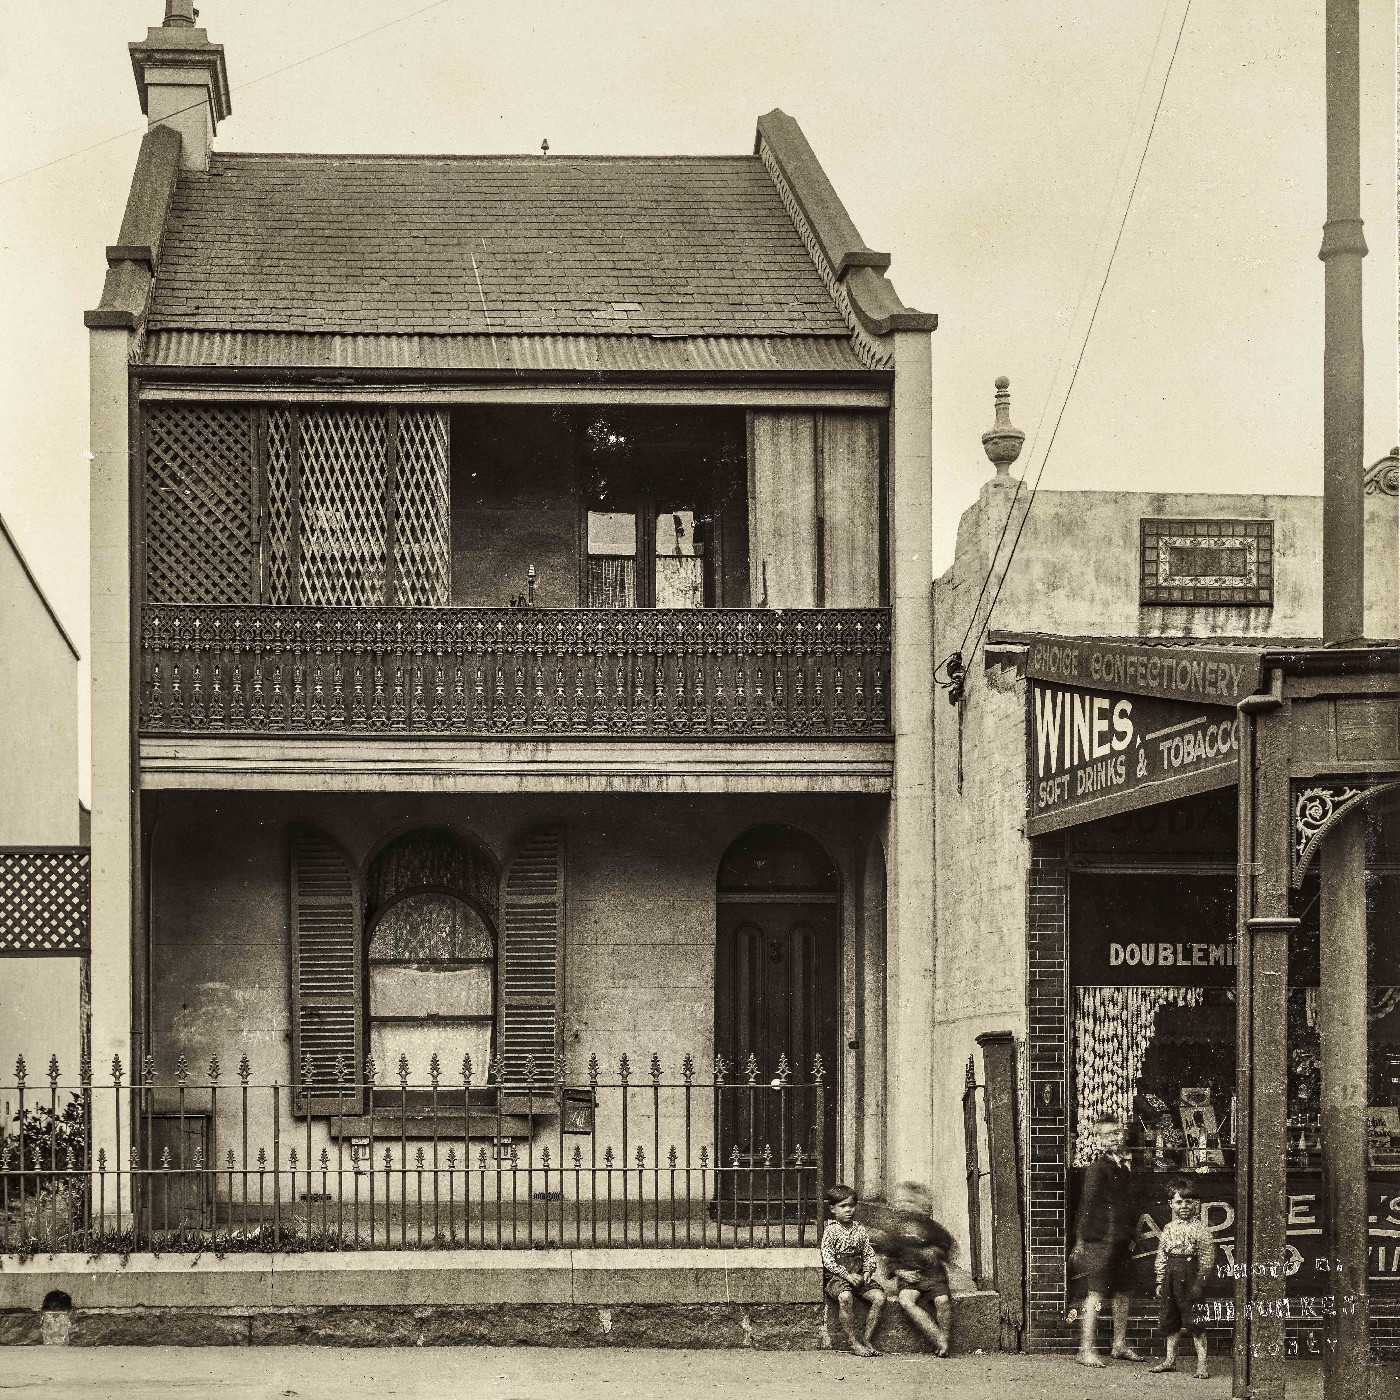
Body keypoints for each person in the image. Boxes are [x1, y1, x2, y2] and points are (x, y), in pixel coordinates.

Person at [1071, 1112, 1144, 1367]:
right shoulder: (1096, 1169)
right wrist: (1081, 1241)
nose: (1116, 1137)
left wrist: (1131, 1235)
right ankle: (1085, 1350)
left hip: (1121, 1240)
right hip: (1100, 1240)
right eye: (1110, 1134)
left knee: (1124, 1292)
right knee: (1096, 1295)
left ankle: (1119, 1345)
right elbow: (1086, 1206)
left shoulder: (1122, 1168)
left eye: (1117, 1132)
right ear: (1099, 1140)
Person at [876, 1181, 953, 1357]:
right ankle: (937, 1337)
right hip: (909, 1277)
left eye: (912, 1203)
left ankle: (945, 1338)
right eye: (903, 1202)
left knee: (942, 1301)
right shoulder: (894, 1230)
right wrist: (901, 1272)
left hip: (933, 1275)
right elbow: (887, 1259)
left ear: (923, 1206)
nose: (907, 1207)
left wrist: (936, 1251)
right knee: (906, 1301)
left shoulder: (932, 1228)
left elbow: (946, 1244)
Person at [1150, 1178, 1215, 1379]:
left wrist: (1200, 1284)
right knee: (1171, 1320)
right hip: (1171, 1276)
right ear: (1171, 1204)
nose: (1184, 1206)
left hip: (1191, 1277)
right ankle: (1170, 1360)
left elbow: (1207, 1259)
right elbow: (1162, 1254)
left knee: (1196, 1323)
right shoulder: (1168, 1228)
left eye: (1189, 1202)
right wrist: (1160, 1280)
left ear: (1197, 1203)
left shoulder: (1201, 1230)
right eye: (1179, 1202)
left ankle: (1202, 1365)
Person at [821, 1184, 886, 1356]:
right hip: (838, 1276)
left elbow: (868, 1252)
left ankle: (867, 1339)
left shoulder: (859, 1229)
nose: (848, 1210)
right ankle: (853, 1342)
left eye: (851, 1205)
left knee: (879, 1297)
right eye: (843, 1206)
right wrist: (846, 1275)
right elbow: (828, 1260)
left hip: (858, 1274)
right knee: (845, 1296)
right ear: (832, 1209)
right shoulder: (831, 1231)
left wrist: (867, 1271)